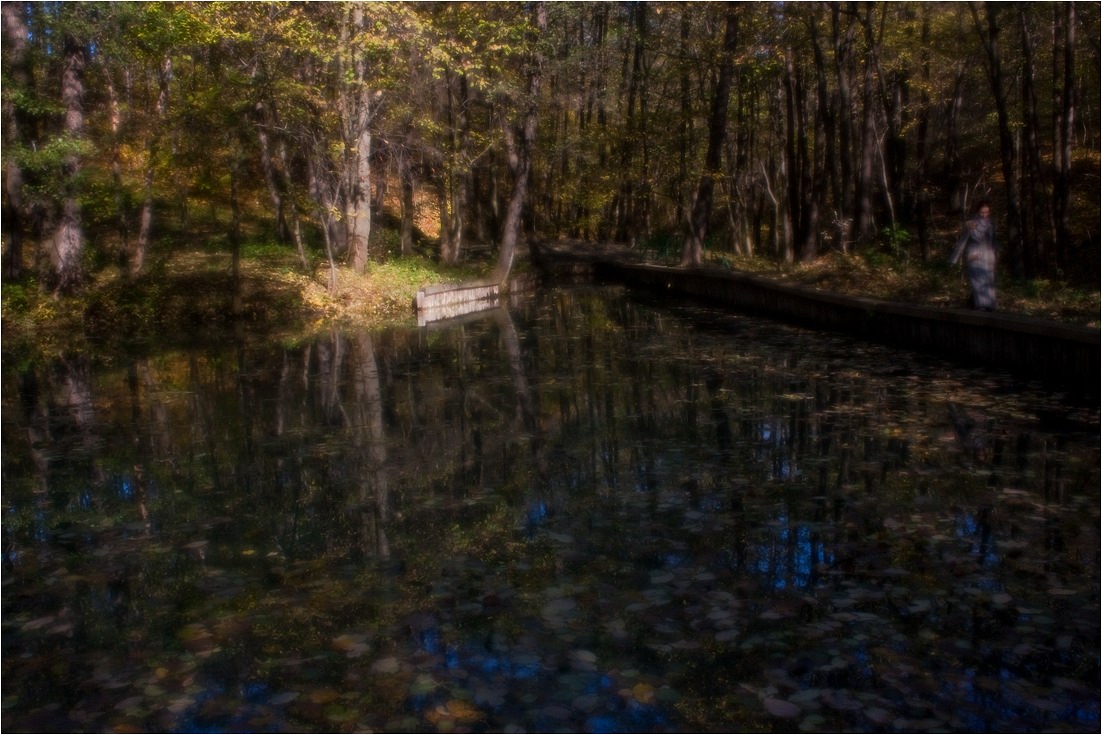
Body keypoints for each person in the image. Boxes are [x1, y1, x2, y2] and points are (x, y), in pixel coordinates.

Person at [948, 200, 998, 311]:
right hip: (974, 256)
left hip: (988, 258)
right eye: (982, 213)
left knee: (988, 282)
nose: (984, 215)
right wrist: (954, 259)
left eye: (987, 212)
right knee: (978, 282)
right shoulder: (970, 224)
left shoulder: (991, 224)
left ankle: (988, 307)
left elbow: (993, 242)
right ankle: (981, 306)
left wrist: (996, 255)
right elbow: (962, 241)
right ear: (977, 212)